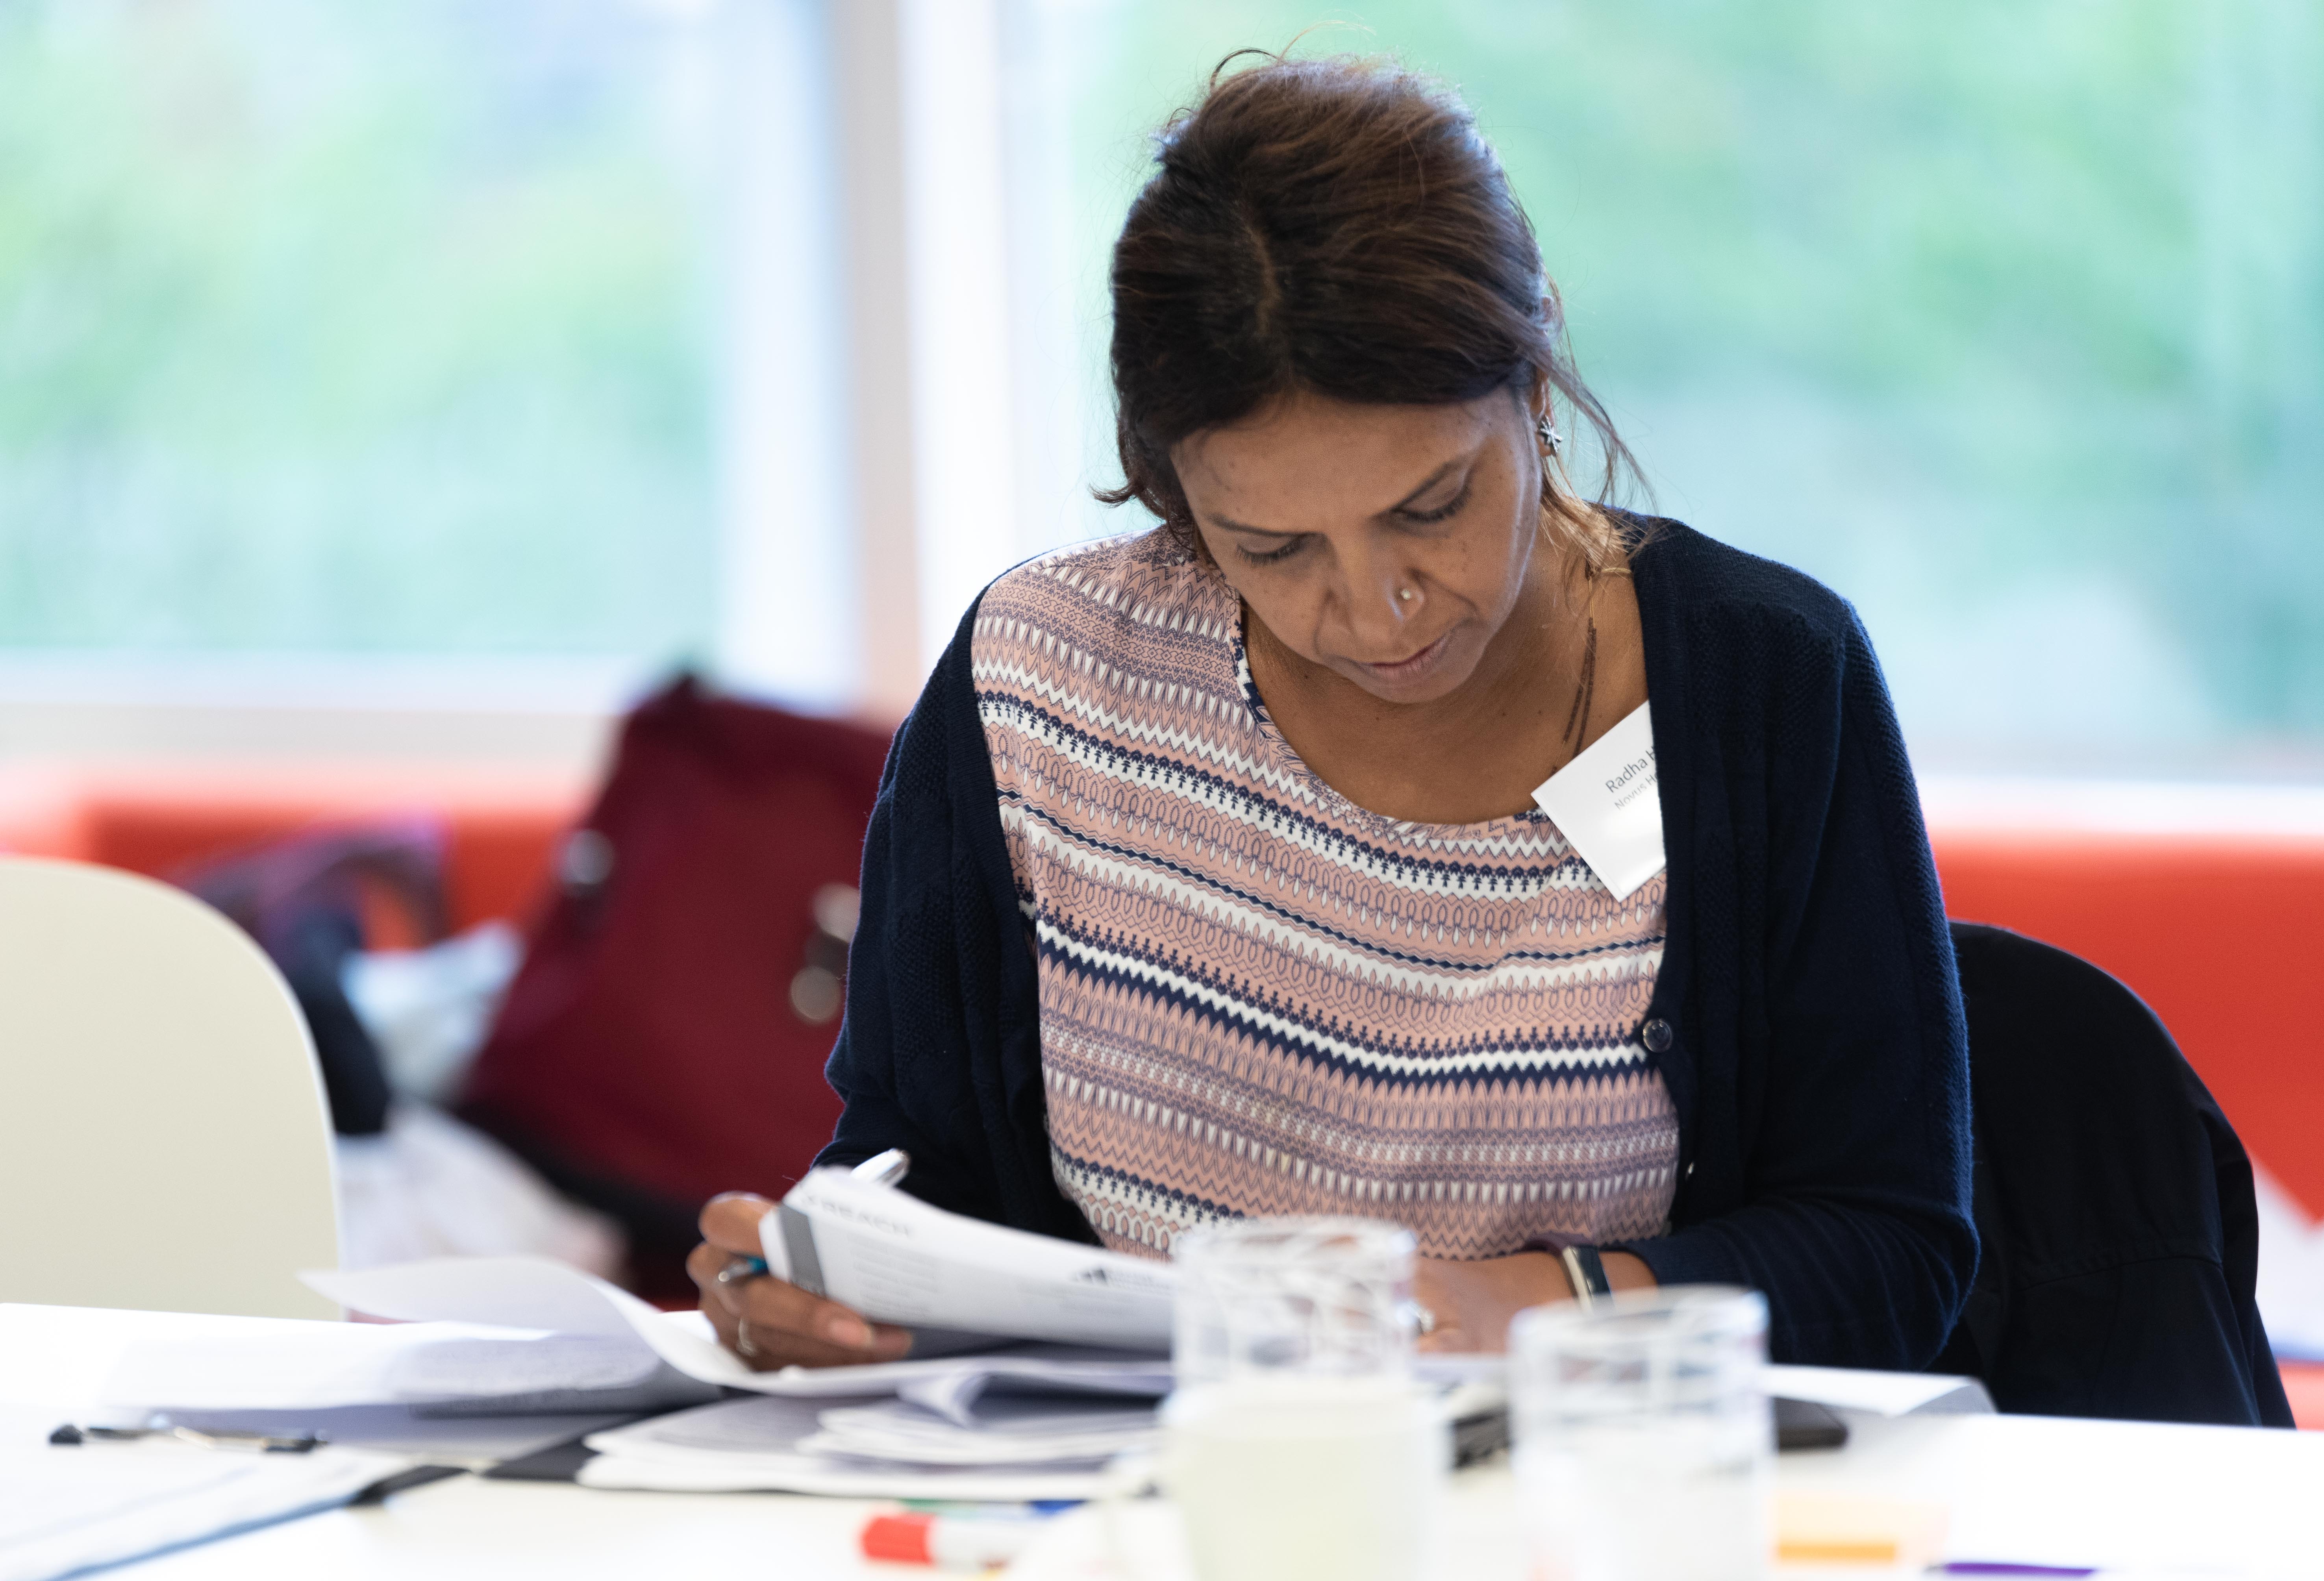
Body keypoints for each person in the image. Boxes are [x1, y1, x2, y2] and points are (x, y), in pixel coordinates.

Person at [691, 52, 1976, 1372]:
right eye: (1273, 547)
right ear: (1171, 494)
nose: (1378, 613)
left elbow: (1891, 1250)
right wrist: (831, 1290)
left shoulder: (1762, 682)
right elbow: (913, 1174)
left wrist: (1531, 1306)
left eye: (1432, 509)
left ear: (1535, 385)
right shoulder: (1040, 685)